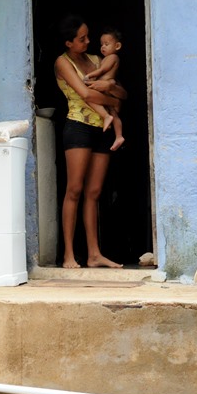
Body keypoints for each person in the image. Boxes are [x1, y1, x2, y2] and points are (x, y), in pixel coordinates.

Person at [53, 15, 127, 269]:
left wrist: (111, 91)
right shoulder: (62, 63)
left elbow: (121, 93)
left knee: (94, 193)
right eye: (82, 39)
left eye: (87, 36)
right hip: (78, 128)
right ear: (68, 42)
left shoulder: (97, 60)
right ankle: (69, 256)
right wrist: (111, 98)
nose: (88, 41)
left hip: (102, 130)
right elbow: (84, 93)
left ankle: (94, 255)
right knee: (74, 190)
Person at [83, 27, 126, 151]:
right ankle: (119, 136)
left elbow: (102, 70)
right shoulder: (107, 58)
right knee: (114, 113)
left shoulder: (112, 58)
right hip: (106, 86)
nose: (103, 47)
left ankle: (106, 117)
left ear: (117, 46)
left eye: (107, 44)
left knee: (87, 97)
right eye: (102, 44)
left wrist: (89, 76)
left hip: (105, 85)